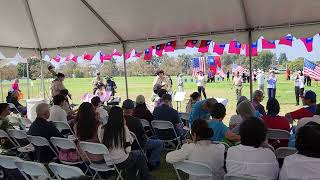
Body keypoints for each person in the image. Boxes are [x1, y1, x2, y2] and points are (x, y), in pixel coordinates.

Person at [98, 106, 152, 180]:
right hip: (121, 161)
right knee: (139, 155)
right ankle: (147, 177)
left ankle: (132, 177)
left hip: (109, 161)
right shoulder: (123, 128)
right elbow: (128, 149)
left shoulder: (101, 128)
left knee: (134, 158)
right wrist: (125, 125)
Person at [122, 99, 163, 169]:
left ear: (123, 108)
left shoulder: (119, 120)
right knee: (160, 143)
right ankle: (152, 163)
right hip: (138, 144)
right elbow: (144, 136)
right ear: (133, 109)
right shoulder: (136, 121)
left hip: (125, 145)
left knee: (154, 138)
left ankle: (148, 157)